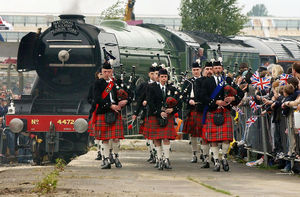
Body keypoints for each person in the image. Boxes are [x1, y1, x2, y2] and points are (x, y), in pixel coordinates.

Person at [200, 60, 244, 172]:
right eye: (215, 68)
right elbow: (203, 97)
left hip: (225, 112)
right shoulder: (207, 81)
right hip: (212, 111)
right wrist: (216, 102)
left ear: (222, 69)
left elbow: (240, 93)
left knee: (226, 138)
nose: (218, 70)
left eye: (219, 68)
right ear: (212, 69)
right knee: (213, 139)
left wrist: (233, 98)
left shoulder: (228, 80)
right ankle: (216, 161)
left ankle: (224, 157)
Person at [143, 68, 181, 170]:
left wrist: (172, 110)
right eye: (162, 77)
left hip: (168, 116)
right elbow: (150, 102)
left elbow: (179, 102)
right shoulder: (151, 87)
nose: (164, 79)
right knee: (157, 139)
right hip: (155, 115)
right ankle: (159, 159)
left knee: (166, 138)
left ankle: (167, 159)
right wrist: (159, 112)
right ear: (158, 77)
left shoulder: (172, 88)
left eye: (165, 77)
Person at [93, 61, 128, 169]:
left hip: (116, 112)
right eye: (104, 71)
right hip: (104, 112)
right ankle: (106, 159)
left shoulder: (116, 83)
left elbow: (127, 94)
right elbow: (97, 98)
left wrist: (125, 101)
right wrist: (110, 105)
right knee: (105, 139)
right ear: (102, 72)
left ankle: (116, 157)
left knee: (116, 138)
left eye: (109, 71)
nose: (107, 73)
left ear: (112, 72)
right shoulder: (98, 83)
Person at [132, 64, 157, 163]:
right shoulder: (144, 85)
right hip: (147, 113)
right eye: (152, 73)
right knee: (148, 136)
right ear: (149, 74)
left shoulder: (161, 86)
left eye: (155, 74)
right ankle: (152, 153)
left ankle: (158, 154)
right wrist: (136, 112)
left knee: (157, 136)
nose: (154, 76)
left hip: (157, 113)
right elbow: (139, 99)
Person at [182, 62, 203, 163]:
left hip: (202, 109)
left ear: (201, 70)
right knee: (193, 133)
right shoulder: (188, 82)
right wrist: (188, 100)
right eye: (194, 70)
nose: (195, 72)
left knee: (203, 133)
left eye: (197, 70)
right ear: (192, 71)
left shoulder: (205, 81)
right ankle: (194, 154)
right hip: (191, 109)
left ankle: (204, 152)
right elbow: (183, 95)